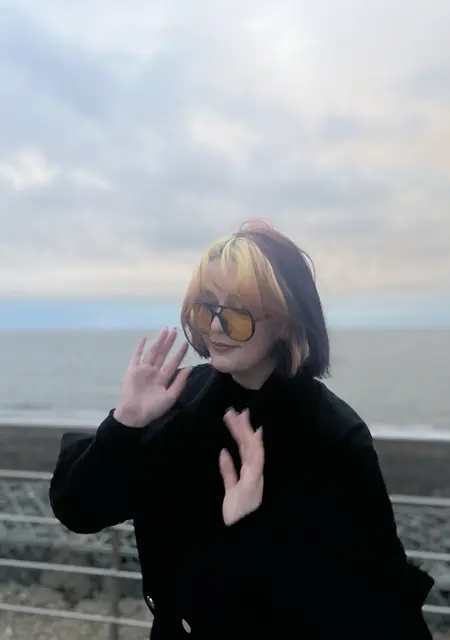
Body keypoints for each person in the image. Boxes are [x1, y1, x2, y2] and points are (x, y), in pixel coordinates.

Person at [49, 219, 434, 639]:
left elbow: (376, 604)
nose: (215, 327)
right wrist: (124, 424)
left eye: (237, 312)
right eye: (206, 307)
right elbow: (79, 509)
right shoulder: (178, 400)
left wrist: (247, 528)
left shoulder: (332, 436)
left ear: (285, 322)